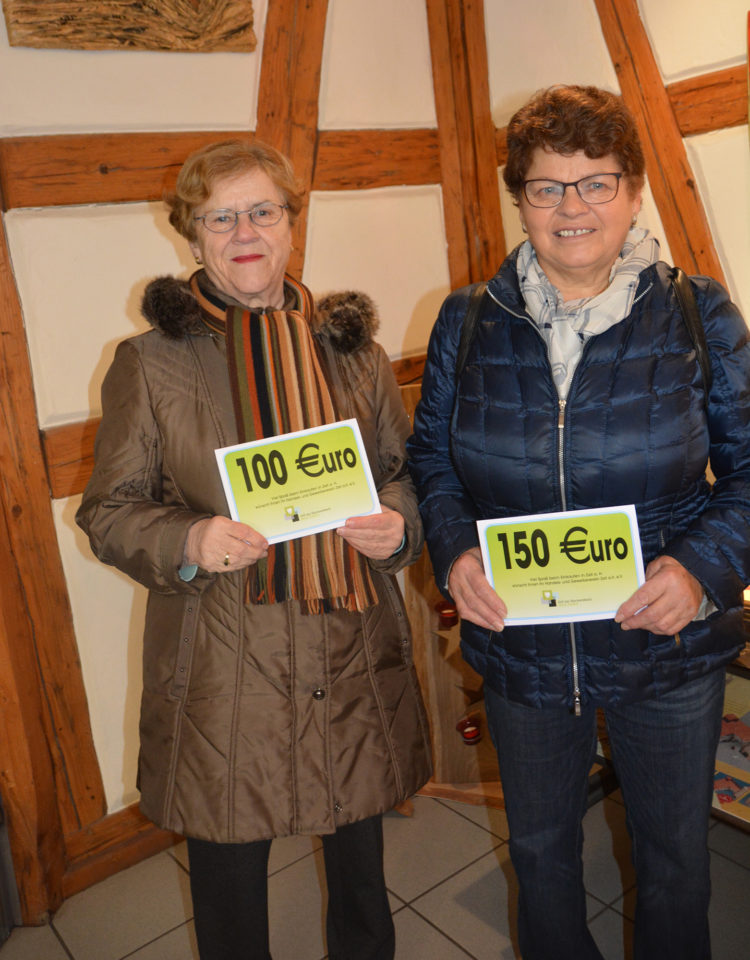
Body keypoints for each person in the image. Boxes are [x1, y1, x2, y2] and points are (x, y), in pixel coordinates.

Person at [407, 85, 750, 960]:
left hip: (663, 643)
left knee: (675, 864)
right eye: (546, 187)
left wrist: (699, 572)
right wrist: (454, 552)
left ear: (633, 192)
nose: (572, 208)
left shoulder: (698, 314)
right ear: (519, 199)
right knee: (540, 856)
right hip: (522, 644)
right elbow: (433, 461)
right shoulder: (467, 320)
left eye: (596, 183)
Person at [76, 138, 431, 960]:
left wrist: (398, 522)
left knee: (362, 879)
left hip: (350, 649)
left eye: (262, 211)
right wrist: (189, 536)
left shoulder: (356, 353)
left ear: (291, 224)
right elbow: (109, 511)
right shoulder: (151, 364)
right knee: (230, 889)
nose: (245, 231)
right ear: (192, 236)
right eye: (220, 217)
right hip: (225, 662)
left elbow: (405, 476)